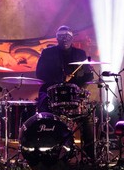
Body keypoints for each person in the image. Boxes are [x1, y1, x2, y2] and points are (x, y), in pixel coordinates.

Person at [36, 25, 95, 160]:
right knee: (45, 116)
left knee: (87, 119)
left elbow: (88, 77)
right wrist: (60, 79)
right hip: (52, 94)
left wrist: (83, 83)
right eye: (61, 37)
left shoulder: (80, 54)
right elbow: (39, 73)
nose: (64, 39)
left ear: (72, 38)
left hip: (74, 96)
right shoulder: (48, 53)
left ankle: (90, 157)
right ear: (57, 38)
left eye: (67, 37)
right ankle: (48, 153)